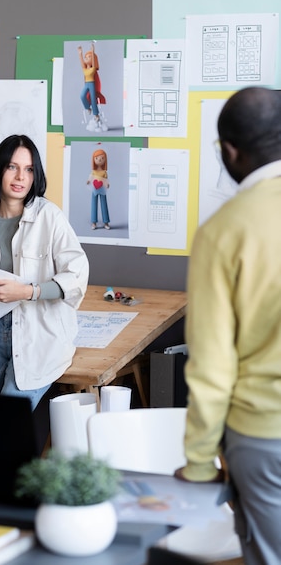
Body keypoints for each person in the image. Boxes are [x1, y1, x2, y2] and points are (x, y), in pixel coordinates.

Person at [174, 87, 281, 565]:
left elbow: (213, 366)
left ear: (230, 151)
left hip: (263, 436)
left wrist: (199, 464)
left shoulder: (224, 230)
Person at [0, 134, 89, 410]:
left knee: (10, 414)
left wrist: (29, 291)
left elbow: (77, 274)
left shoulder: (50, 217)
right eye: (12, 167)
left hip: (39, 333)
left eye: (28, 169)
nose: (20, 177)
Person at [78, 43, 107, 132]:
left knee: (93, 100)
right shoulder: (85, 69)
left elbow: (93, 62)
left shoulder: (93, 68)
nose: (86, 59)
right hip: (86, 84)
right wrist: (80, 53)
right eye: (86, 57)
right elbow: (82, 62)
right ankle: (88, 108)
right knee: (82, 95)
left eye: (89, 57)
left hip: (92, 84)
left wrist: (93, 51)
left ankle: (96, 115)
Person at [87, 148, 111, 230]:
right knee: (94, 205)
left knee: (104, 204)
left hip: (102, 189)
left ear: (105, 159)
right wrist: (88, 181)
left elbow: (106, 180)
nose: (100, 160)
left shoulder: (104, 172)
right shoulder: (93, 171)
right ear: (94, 160)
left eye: (102, 158)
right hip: (94, 189)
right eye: (97, 158)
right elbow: (90, 177)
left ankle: (106, 222)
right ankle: (94, 222)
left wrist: (107, 184)